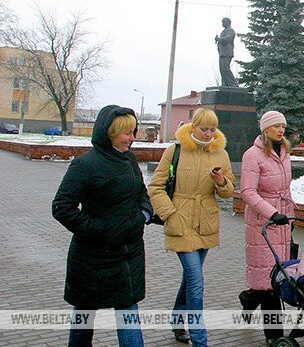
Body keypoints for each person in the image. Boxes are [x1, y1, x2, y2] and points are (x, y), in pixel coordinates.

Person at [52, 105, 154, 347]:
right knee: (84, 314)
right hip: (92, 258)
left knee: (128, 310)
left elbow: (141, 191)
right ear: (110, 133)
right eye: (127, 133)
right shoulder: (85, 165)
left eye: (134, 131)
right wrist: (100, 229)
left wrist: (145, 213)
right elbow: (62, 207)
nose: (133, 138)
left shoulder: (128, 159)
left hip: (129, 254)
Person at [148, 108, 235, 346]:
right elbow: (155, 187)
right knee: (196, 282)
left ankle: (177, 322)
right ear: (193, 126)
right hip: (181, 220)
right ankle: (200, 339)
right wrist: (170, 214)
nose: (208, 134)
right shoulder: (174, 151)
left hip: (206, 222)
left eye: (212, 129)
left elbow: (228, 192)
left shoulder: (221, 154)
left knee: (190, 278)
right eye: (204, 128)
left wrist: (220, 181)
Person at [239, 111, 297, 347]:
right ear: (265, 129)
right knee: (270, 282)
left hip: (283, 221)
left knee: (274, 278)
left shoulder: (284, 153)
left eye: (283, 126)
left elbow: (286, 188)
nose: (281, 130)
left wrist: (289, 217)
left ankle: (248, 298)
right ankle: (274, 336)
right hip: (262, 223)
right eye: (276, 126)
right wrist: (272, 212)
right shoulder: (252, 156)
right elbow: (247, 192)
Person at [215, 17, 239, 87]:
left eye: (223, 22)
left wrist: (219, 39)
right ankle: (225, 84)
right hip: (222, 53)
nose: (222, 23)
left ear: (228, 22)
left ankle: (233, 84)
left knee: (225, 69)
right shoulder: (223, 31)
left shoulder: (230, 30)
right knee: (222, 70)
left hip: (227, 53)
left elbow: (227, 39)